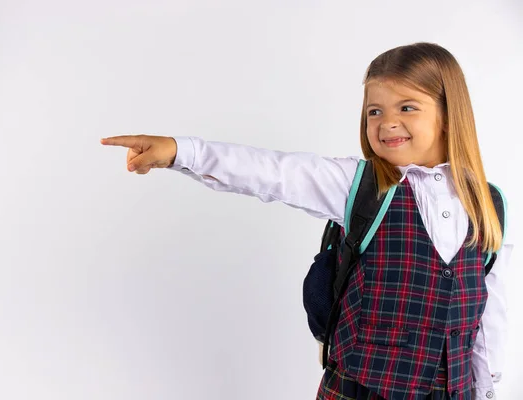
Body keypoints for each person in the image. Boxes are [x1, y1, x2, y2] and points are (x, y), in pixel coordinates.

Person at [100, 42, 512, 400]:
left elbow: (488, 315)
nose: (386, 123)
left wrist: (485, 386)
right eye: (374, 110)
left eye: (407, 107)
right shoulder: (358, 184)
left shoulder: (489, 205)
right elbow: (273, 172)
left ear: (447, 114)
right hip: (362, 387)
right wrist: (179, 151)